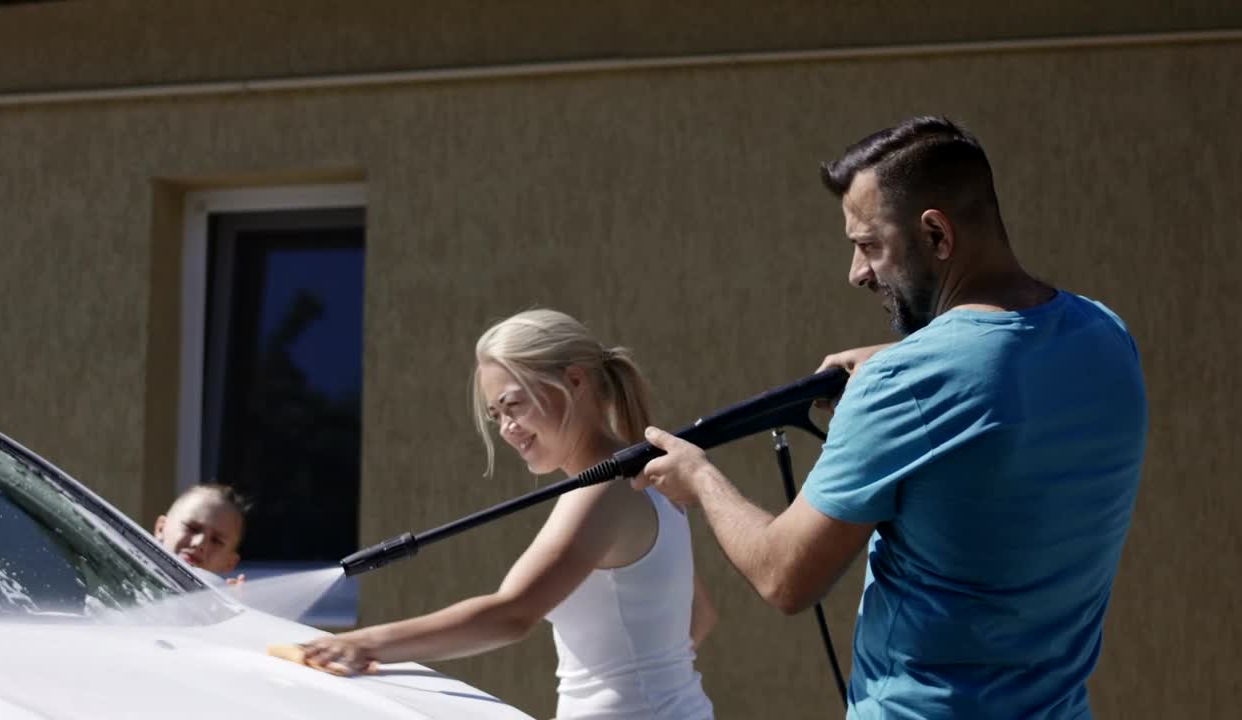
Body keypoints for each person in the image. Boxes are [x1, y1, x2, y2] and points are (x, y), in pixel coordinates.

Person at [634, 117, 1146, 718]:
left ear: (936, 235)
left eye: (870, 244)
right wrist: (904, 363)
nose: (857, 271)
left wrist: (700, 479)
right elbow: (1007, 368)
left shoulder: (905, 384)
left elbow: (784, 576)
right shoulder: (1104, 335)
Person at [302, 309, 716, 719]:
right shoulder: (648, 479)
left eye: (513, 404)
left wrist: (363, 643)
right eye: (496, 415)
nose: (506, 428)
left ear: (575, 381)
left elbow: (512, 614)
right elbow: (699, 615)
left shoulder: (601, 491)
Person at [154, 483, 248, 582]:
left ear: (229, 563)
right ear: (161, 528)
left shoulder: (222, 596)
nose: (199, 543)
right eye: (192, 528)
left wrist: (230, 597)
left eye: (216, 541)